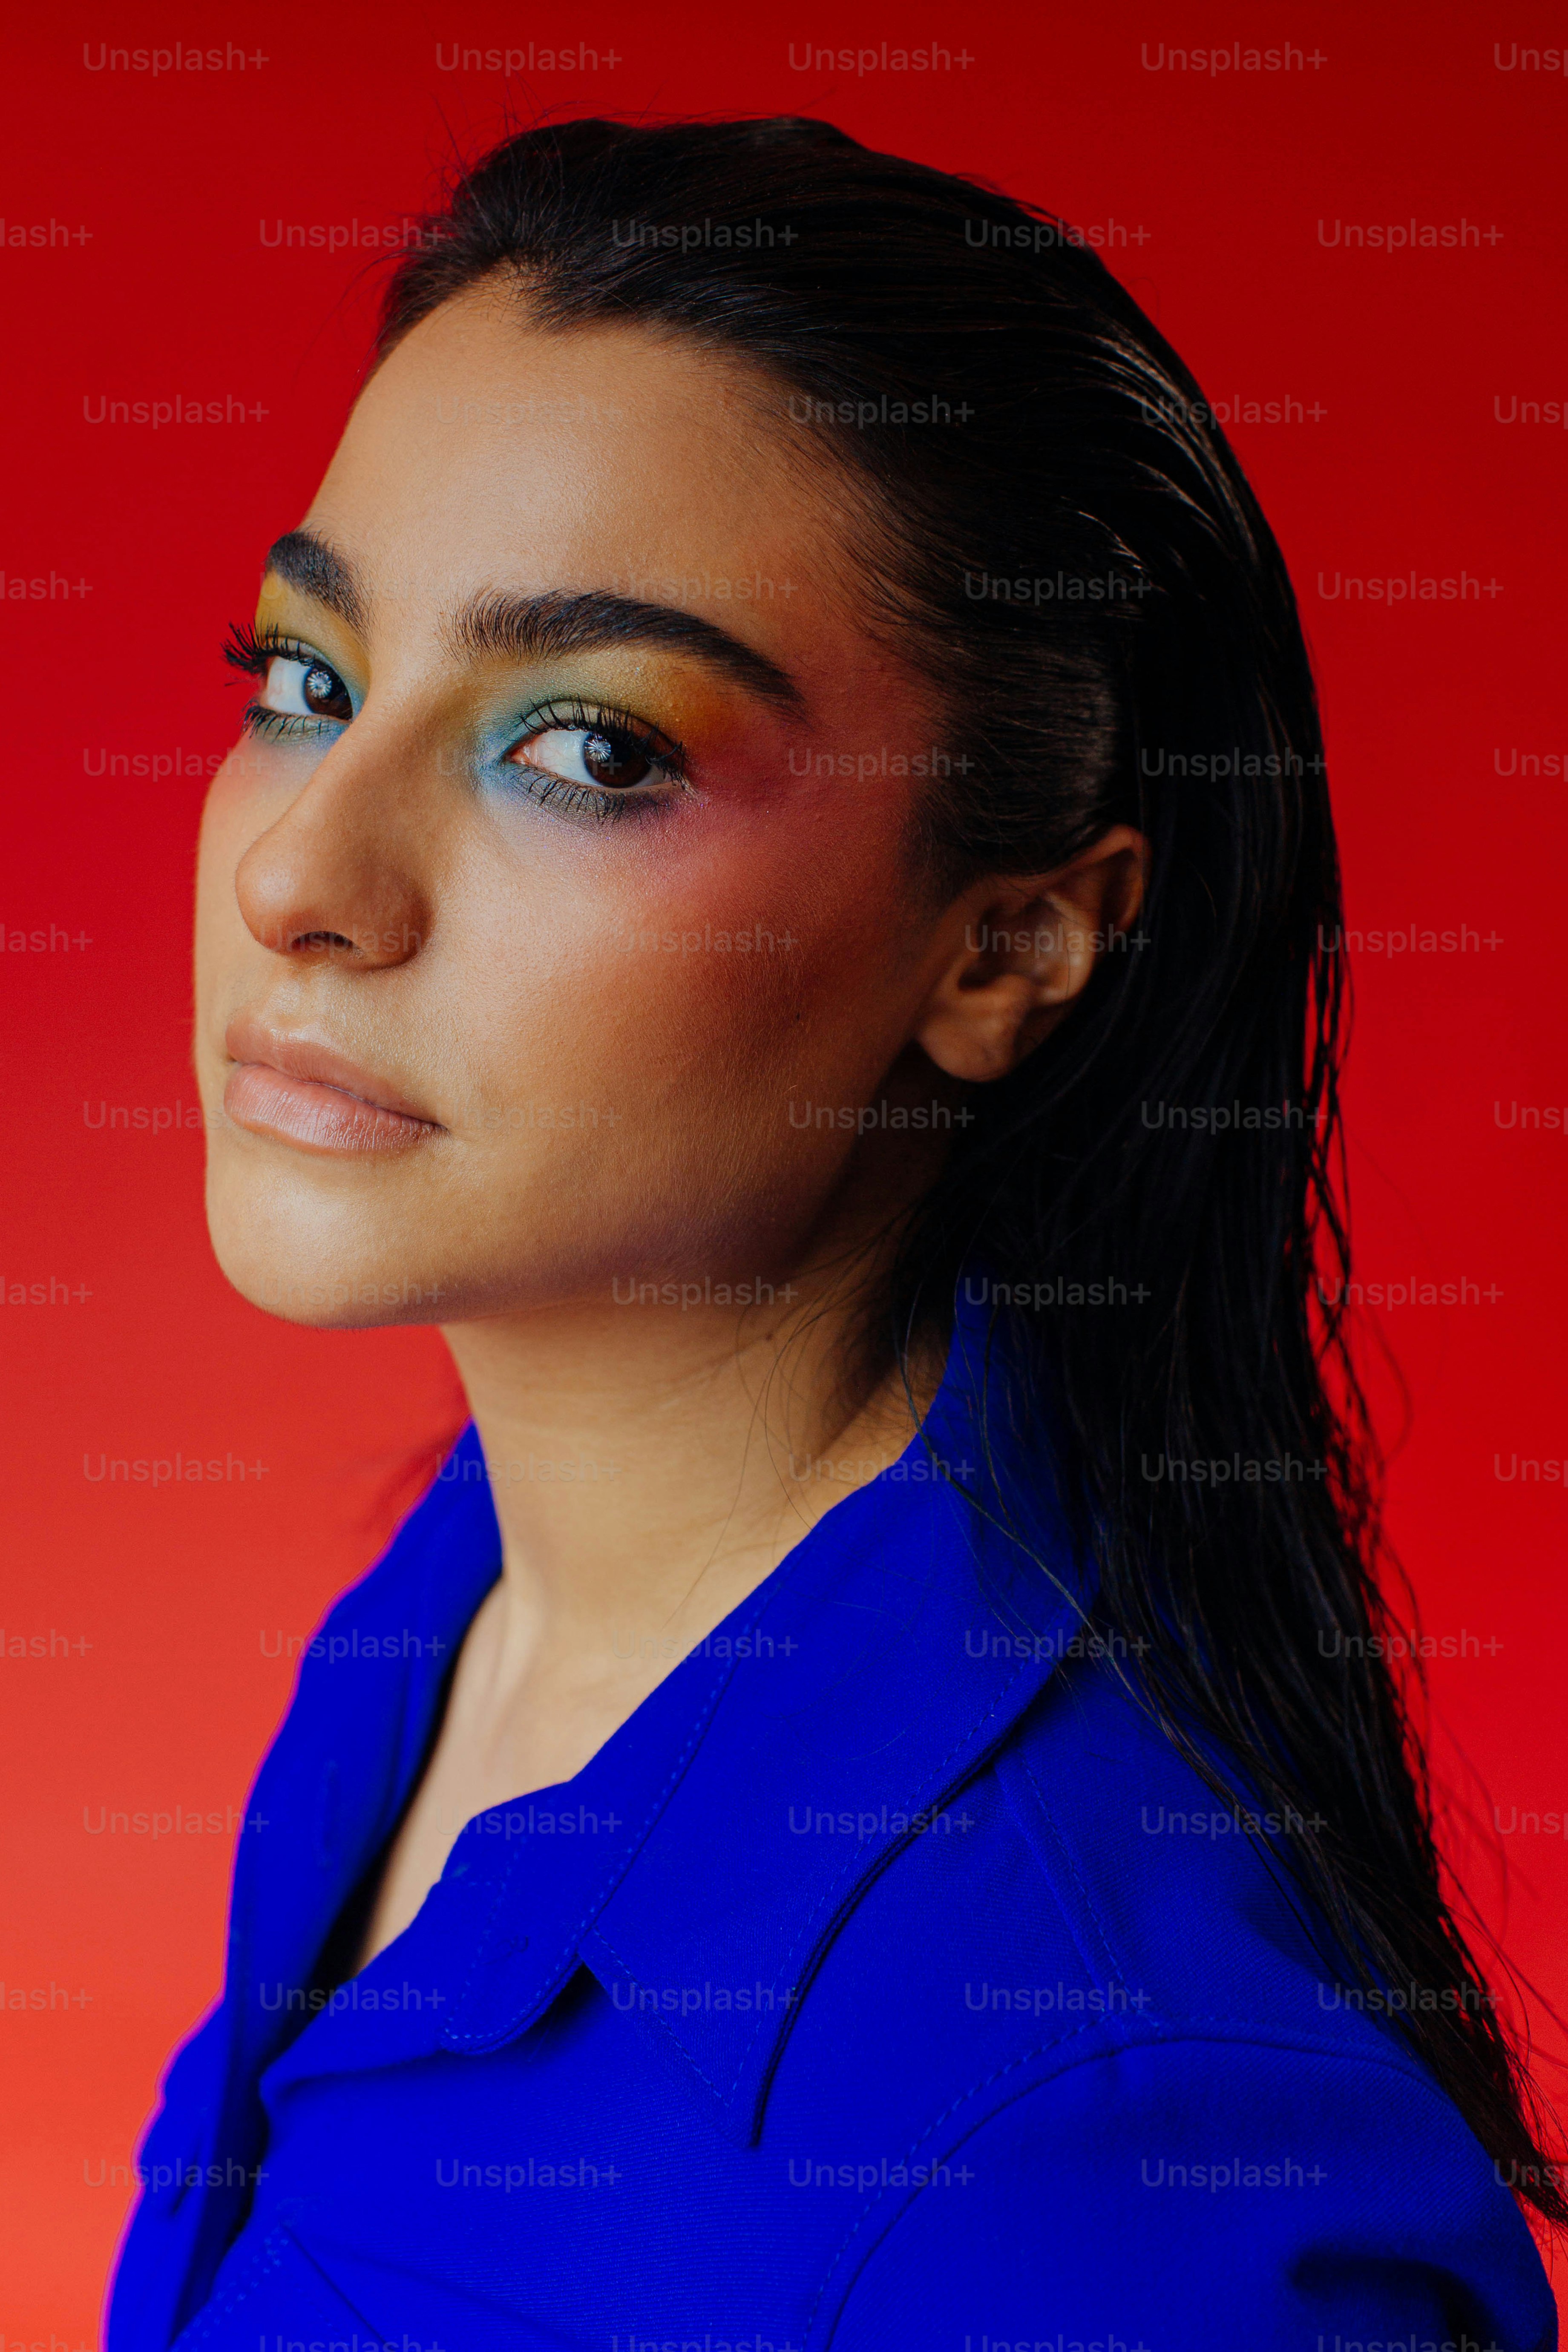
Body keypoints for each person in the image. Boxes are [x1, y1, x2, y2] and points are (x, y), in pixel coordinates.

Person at [108, 116, 1559, 2349]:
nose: (297, 874)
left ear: (1007, 948)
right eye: (307, 677)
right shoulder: (457, 1608)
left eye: (586, 750)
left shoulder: (1099, 2147)